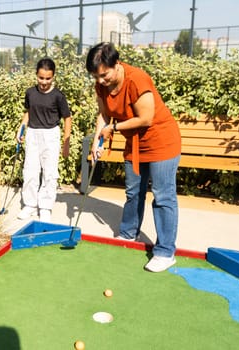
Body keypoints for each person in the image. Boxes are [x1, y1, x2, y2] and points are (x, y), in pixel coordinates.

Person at [85, 42, 181, 273]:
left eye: (104, 75)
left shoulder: (137, 79)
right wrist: (98, 139)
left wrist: (114, 129)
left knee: (163, 196)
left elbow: (146, 118)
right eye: (96, 77)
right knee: (133, 191)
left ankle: (165, 252)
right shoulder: (102, 87)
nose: (100, 81)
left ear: (116, 64)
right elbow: (104, 114)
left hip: (161, 142)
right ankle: (128, 234)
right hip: (135, 144)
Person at [16, 58, 72, 222]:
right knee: (30, 171)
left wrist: (66, 143)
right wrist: (21, 129)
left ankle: (46, 207)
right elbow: (28, 112)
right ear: (36, 75)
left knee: (49, 172)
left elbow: (67, 118)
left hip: (50, 135)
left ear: (53, 77)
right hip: (33, 133)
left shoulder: (58, 96)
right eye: (41, 78)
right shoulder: (30, 93)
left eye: (48, 78)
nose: (44, 82)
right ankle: (30, 205)